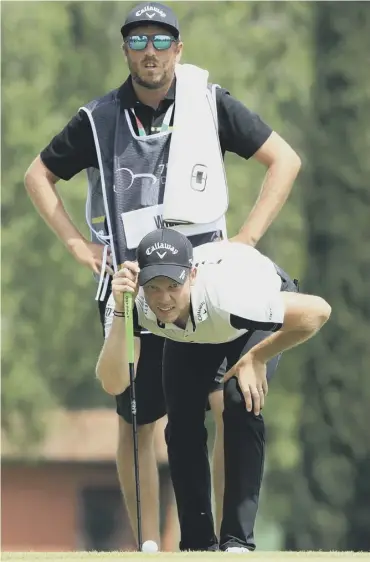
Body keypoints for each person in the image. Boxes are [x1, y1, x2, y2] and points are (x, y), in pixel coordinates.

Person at [24, 1, 301, 550]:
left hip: (202, 284)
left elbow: (284, 160)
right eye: (137, 41)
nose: (149, 52)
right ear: (124, 49)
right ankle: (150, 546)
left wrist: (244, 242)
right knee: (136, 419)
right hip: (132, 286)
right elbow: (38, 175)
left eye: (159, 40)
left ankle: (230, 541)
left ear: (178, 47)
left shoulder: (207, 102)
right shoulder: (97, 118)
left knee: (227, 401)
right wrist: (79, 247)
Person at [97, 228, 331, 553]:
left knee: (238, 398)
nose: (163, 299)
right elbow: (114, 382)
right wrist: (122, 312)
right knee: (180, 424)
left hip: (244, 316)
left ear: (191, 276)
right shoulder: (129, 300)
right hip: (192, 330)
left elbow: (318, 311)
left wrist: (257, 357)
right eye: (154, 287)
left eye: (172, 286)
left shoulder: (229, 295)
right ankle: (197, 546)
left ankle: (237, 543)